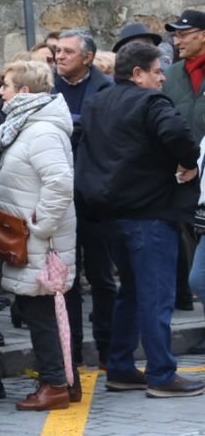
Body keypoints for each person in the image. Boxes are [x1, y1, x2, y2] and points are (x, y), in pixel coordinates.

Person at [75, 40, 204, 397]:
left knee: (131, 292)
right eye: (157, 72)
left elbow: (81, 142)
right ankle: (162, 375)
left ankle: (120, 367)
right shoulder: (151, 102)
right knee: (155, 296)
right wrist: (189, 163)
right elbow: (177, 133)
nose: (163, 78)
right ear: (137, 73)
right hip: (149, 215)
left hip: (109, 214)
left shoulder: (97, 103)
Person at [0, 59, 79, 410]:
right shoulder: (24, 126)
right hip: (26, 238)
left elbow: (59, 183)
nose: (0, 91)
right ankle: (63, 381)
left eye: (6, 85)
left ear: (24, 92)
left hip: (40, 241)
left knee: (41, 312)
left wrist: (41, 226)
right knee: (39, 310)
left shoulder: (41, 131)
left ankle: (54, 384)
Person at [161, 9, 205, 141]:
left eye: (183, 35)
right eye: (175, 36)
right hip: (180, 153)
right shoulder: (169, 75)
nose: (176, 42)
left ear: (203, 36)